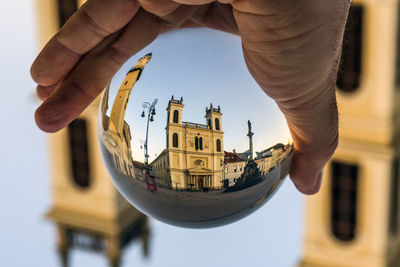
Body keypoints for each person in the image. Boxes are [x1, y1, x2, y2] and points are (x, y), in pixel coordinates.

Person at [30, 0, 350, 195]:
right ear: (175, 115)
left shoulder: (213, 135)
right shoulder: (173, 136)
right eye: (176, 115)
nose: (212, 124)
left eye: (214, 120)